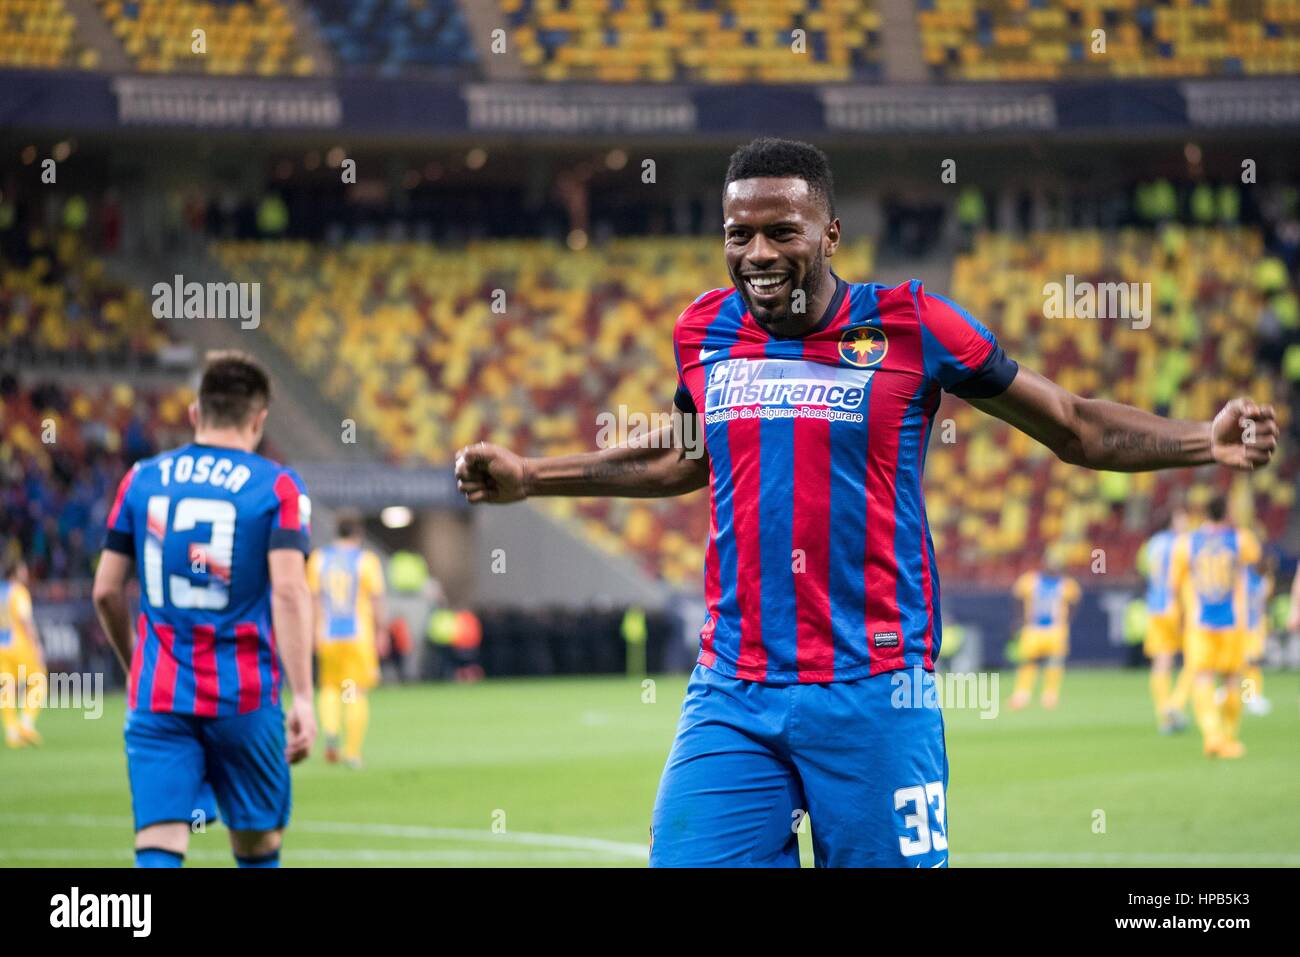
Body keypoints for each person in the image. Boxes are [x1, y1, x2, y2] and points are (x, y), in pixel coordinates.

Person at [455, 138, 1278, 866]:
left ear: (830, 235)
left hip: (876, 687)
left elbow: (1074, 427)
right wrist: (532, 475)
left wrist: (1205, 440)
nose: (758, 252)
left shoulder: (913, 324)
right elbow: (682, 455)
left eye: (783, 230)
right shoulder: (704, 328)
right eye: (739, 234)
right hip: (732, 688)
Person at [92, 351, 317, 867]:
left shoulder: (141, 479)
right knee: (257, 845)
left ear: (195, 412)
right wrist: (303, 695)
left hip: (159, 695)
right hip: (244, 698)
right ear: (259, 419)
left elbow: (106, 590)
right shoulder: (277, 486)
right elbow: (289, 591)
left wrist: (136, 669)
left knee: (160, 841)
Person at [1169, 496, 1260, 758]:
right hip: (1233, 621)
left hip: (1200, 623)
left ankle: (1211, 736)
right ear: (1227, 513)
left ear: (1204, 513)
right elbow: (1256, 558)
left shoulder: (1187, 543)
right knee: (1232, 680)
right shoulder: (1241, 539)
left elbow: (1175, 584)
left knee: (1203, 678)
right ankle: (1229, 738)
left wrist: (1180, 615)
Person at [306, 510, 386, 768]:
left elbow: (313, 599)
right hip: (357, 636)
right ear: (359, 534)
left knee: (329, 687)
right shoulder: (366, 560)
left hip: (327, 633)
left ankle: (330, 732)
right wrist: (381, 631)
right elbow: (375, 600)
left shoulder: (319, 559)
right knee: (354, 691)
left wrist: (312, 631)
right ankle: (352, 753)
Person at [1139, 506, 1193, 733]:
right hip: (1179, 608)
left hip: (1155, 608)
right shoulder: (1184, 543)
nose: (1187, 522)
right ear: (1173, 521)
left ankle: (1164, 713)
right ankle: (1175, 704)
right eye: (1183, 517)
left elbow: (1144, 571)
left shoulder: (1150, 545)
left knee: (1162, 661)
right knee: (1196, 661)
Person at [1009, 552, 1080, 710]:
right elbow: (1018, 597)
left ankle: (1050, 695)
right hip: (1033, 628)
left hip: (1055, 628)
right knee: (1028, 662)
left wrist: (1067, 620)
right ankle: (1022, 694)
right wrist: (1020, 619)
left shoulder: (1066, 584)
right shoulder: (1030, 580)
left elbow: (1075, 600)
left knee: (1054, 662)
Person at [0, 557, 46, 748]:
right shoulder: (18, 592)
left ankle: (11, 733)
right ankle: (26, 723)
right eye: (23, 568)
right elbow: (25, 620)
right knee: (39, 681)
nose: (26, 572)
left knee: (6, 689)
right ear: (16, 571)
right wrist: (36, 645)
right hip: (19, 645)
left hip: (1, 647)